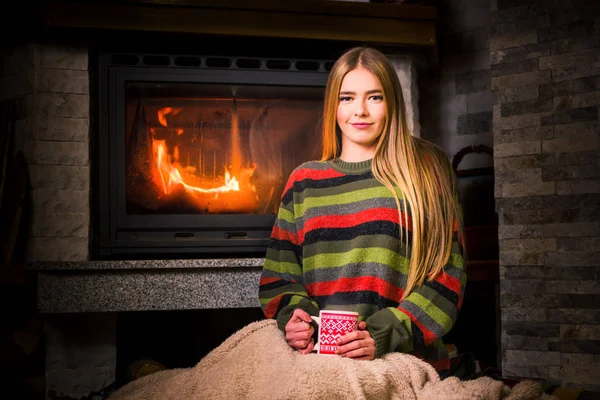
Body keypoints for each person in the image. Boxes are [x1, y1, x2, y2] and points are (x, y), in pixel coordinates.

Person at [258, 46, 465, 373]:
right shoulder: (304, 182)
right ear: (333, 106)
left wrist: (383, 333)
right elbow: (280, 276)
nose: (360, 111)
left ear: (392, 103)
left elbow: (447, 274)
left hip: (402, 359)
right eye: (347, 98)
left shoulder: (427, 167)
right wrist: (296, 317)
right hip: (318, 363)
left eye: (375, 97)